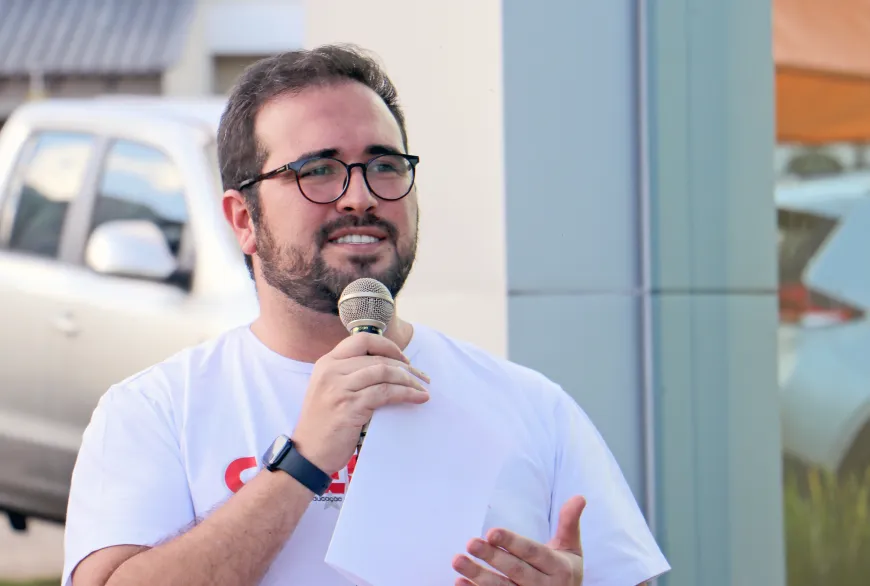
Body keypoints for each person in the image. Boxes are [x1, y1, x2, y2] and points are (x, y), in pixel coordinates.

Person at [62, 45, 671, 586]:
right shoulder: (157, 411)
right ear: (243, 219)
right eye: (318, 171)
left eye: (385, 165)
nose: (361, 195)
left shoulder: (534, 408)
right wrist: (302, 462)